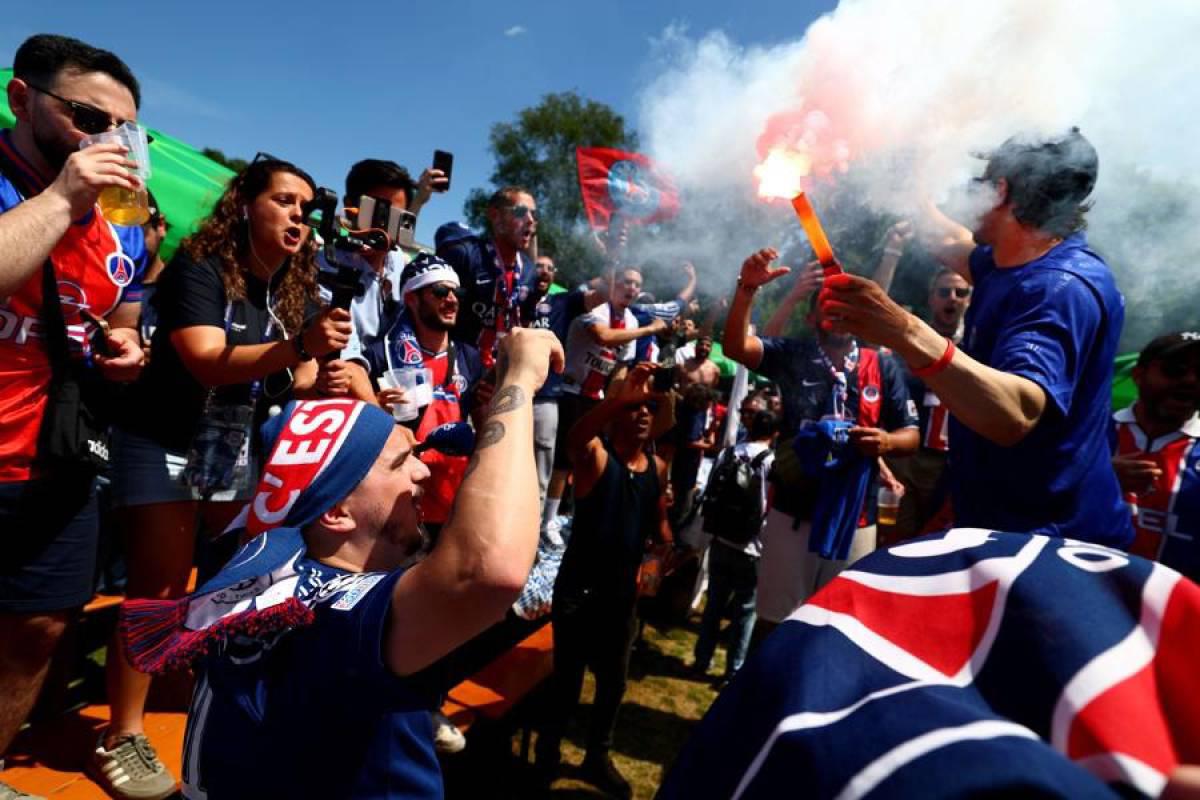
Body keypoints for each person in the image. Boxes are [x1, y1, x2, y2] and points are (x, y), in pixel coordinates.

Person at [119, 328, 563, 799]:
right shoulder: (329, 614)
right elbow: (484, 569)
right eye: (401, 462)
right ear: (336, 512)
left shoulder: (266, 577)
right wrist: (520, 376)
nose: (423, 470)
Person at [101, 157, 350, 798]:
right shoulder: (201, 267)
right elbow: (208, 361)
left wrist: (320, 373)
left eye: (305, 207)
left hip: (230, 449)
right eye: (285, 201)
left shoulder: (293, 286)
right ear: (245, 204)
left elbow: (285, 379)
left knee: (233, 573)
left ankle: (194, 680)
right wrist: (300, 348)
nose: (299, 215)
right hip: (162, 438)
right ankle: (123, 735)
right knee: (158, 583)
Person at [819, 128, 1133, 547]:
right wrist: (906, 175)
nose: (970, 194)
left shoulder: (1058, 287)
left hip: (1048, 546)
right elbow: (948, 239)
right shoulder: (1013, 263)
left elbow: (1015, 414)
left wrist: (905, 330)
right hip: (1011, 531)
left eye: (980, 182)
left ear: (1001, 191)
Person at [0, 34, 149, 800]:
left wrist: (124, 345)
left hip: (55, 455)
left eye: (126, 130)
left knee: (39, 628)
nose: (110, 142)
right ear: (22, 99)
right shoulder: (42, 186)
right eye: (89, 117)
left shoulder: (123, 221)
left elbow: (116, 313)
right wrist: (60, 197)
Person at [723, 251, 919, 626]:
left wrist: (886, 443)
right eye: (829, 306)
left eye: (846, 307)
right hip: (793, 511)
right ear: (813, 317)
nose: (838, 315)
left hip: (856, 518)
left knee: (836, 625)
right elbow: (736, 348)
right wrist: (747, 290)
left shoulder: (882, 365)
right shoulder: (794, 353)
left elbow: (911, 435)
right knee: (775, 622)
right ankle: (765, 684)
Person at [535, 363, 671, 798]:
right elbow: (575, 436)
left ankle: (597, 757)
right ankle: (547, 757)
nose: (643, 414)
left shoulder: (657, 467)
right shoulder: (596, 457)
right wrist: (619, 399)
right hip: (580, 593)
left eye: (648, 408)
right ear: (615, 415)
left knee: (613, 684)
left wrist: (657, 555)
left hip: (620, 598)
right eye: (634, 409)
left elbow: (659, 529)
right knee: (568, 683)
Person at [358, 253, 482, 531]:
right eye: (439, 291)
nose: (452, 299)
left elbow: (483, 424)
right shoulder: (383, 354)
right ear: (412, 298)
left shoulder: (469, 357)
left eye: (456, 291)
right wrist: (375, 406)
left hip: (452, 501)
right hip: (398, 503)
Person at [541, 268, 669, 528]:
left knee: (586, 459)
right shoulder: (596, 308)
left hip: (595, 396)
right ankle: (545, 522)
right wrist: (650, 330)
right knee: (561, 460)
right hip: (568, 391)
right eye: (627, 282)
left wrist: (613, 406)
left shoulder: (632, 320)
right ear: (613, 284)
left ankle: (562, 514)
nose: (632, 288)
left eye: (637, 284)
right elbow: (604, 337)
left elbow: (621, 366)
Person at [316, 158, 444, 401]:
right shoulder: (326, 265)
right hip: (344, 399)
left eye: (392, 217)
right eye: (375, 212)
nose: (382, 225)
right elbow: (347, 356)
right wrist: (380, 415)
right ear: (350, 206)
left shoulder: (400, 264)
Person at [881, 267, 972, 543]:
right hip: (907, 460)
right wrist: (891, 255)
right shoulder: (910, 340)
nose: (952, 298)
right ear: (932, 299)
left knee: (936, 542)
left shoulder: (978, 347)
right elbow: (873, 328)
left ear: (969, 300)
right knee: (897, 540)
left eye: (961, 293)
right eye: (944, 292)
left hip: (952, 463)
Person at [693, 409, 778, 687]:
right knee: (745, 610)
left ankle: (702, 660)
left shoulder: (728, 453)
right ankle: (734, 671)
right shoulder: (771, 462)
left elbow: (710, 490)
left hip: (720, 538)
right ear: (774, 433)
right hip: (752, 545)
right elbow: (770, 505)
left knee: (714, 603)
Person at [1111, 332, 1200, 581]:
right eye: (1175, 370)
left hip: (1178, 609)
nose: (1191, 381)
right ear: (1138, 376)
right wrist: (1100, 477)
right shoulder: (1091, 436)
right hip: (1087, 600)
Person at [436, 186, 538, 369]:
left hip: (499, 373)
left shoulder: (529, 270)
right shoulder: (464, 254)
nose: (530, 220)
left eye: (534, 215)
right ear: (495, 215)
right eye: (521, 212)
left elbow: (525, 324)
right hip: (457, 369)